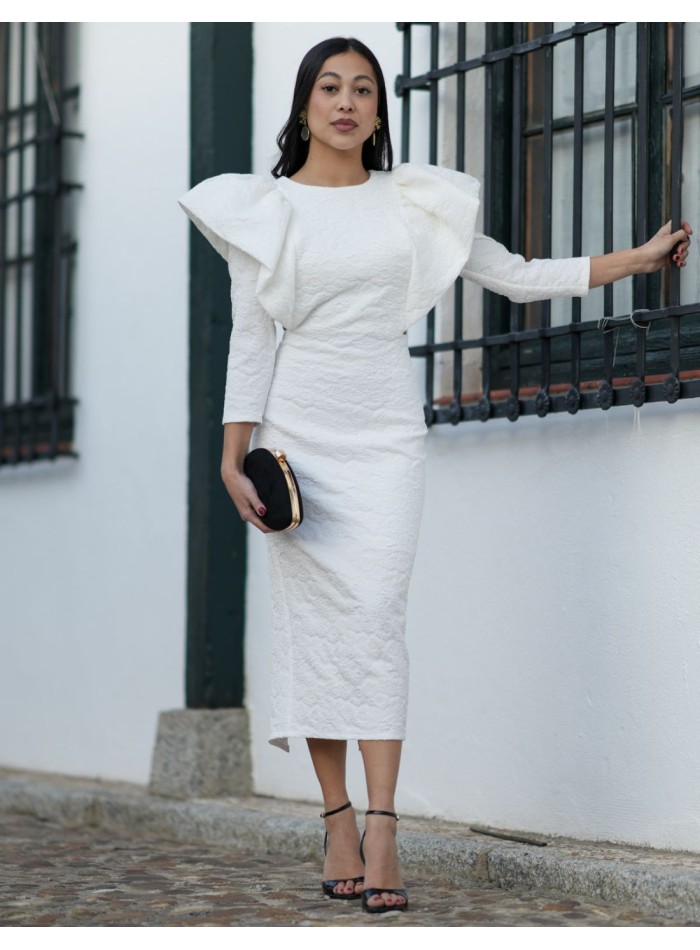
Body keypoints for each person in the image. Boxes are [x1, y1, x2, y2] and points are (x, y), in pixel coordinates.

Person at [179, 36, 691, 914]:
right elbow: (251, 340)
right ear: (304, 105)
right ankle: (336, 815)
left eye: (364, 90)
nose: (347, 102)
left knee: (375, 619)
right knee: (318, 634)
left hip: (384, 441)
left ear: (379, 111)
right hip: (298, 439)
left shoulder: (413, 203)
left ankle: (383, 824)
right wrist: (231, 457)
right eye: (330, 87)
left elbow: (514, 276)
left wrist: (634, 261)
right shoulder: (264, 213)